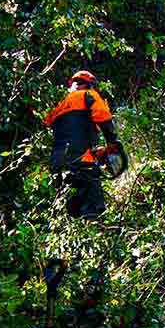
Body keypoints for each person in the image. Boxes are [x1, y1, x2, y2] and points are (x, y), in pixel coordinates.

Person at [43, 70, 119, 220]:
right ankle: (93, 227)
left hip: (58, 163)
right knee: (92, 207)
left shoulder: (60, 104)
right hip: (82, 160)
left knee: (68, 209)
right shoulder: (88, 95)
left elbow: (49, 125)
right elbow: (103, 118)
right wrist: (112, 142)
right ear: (90, 84)